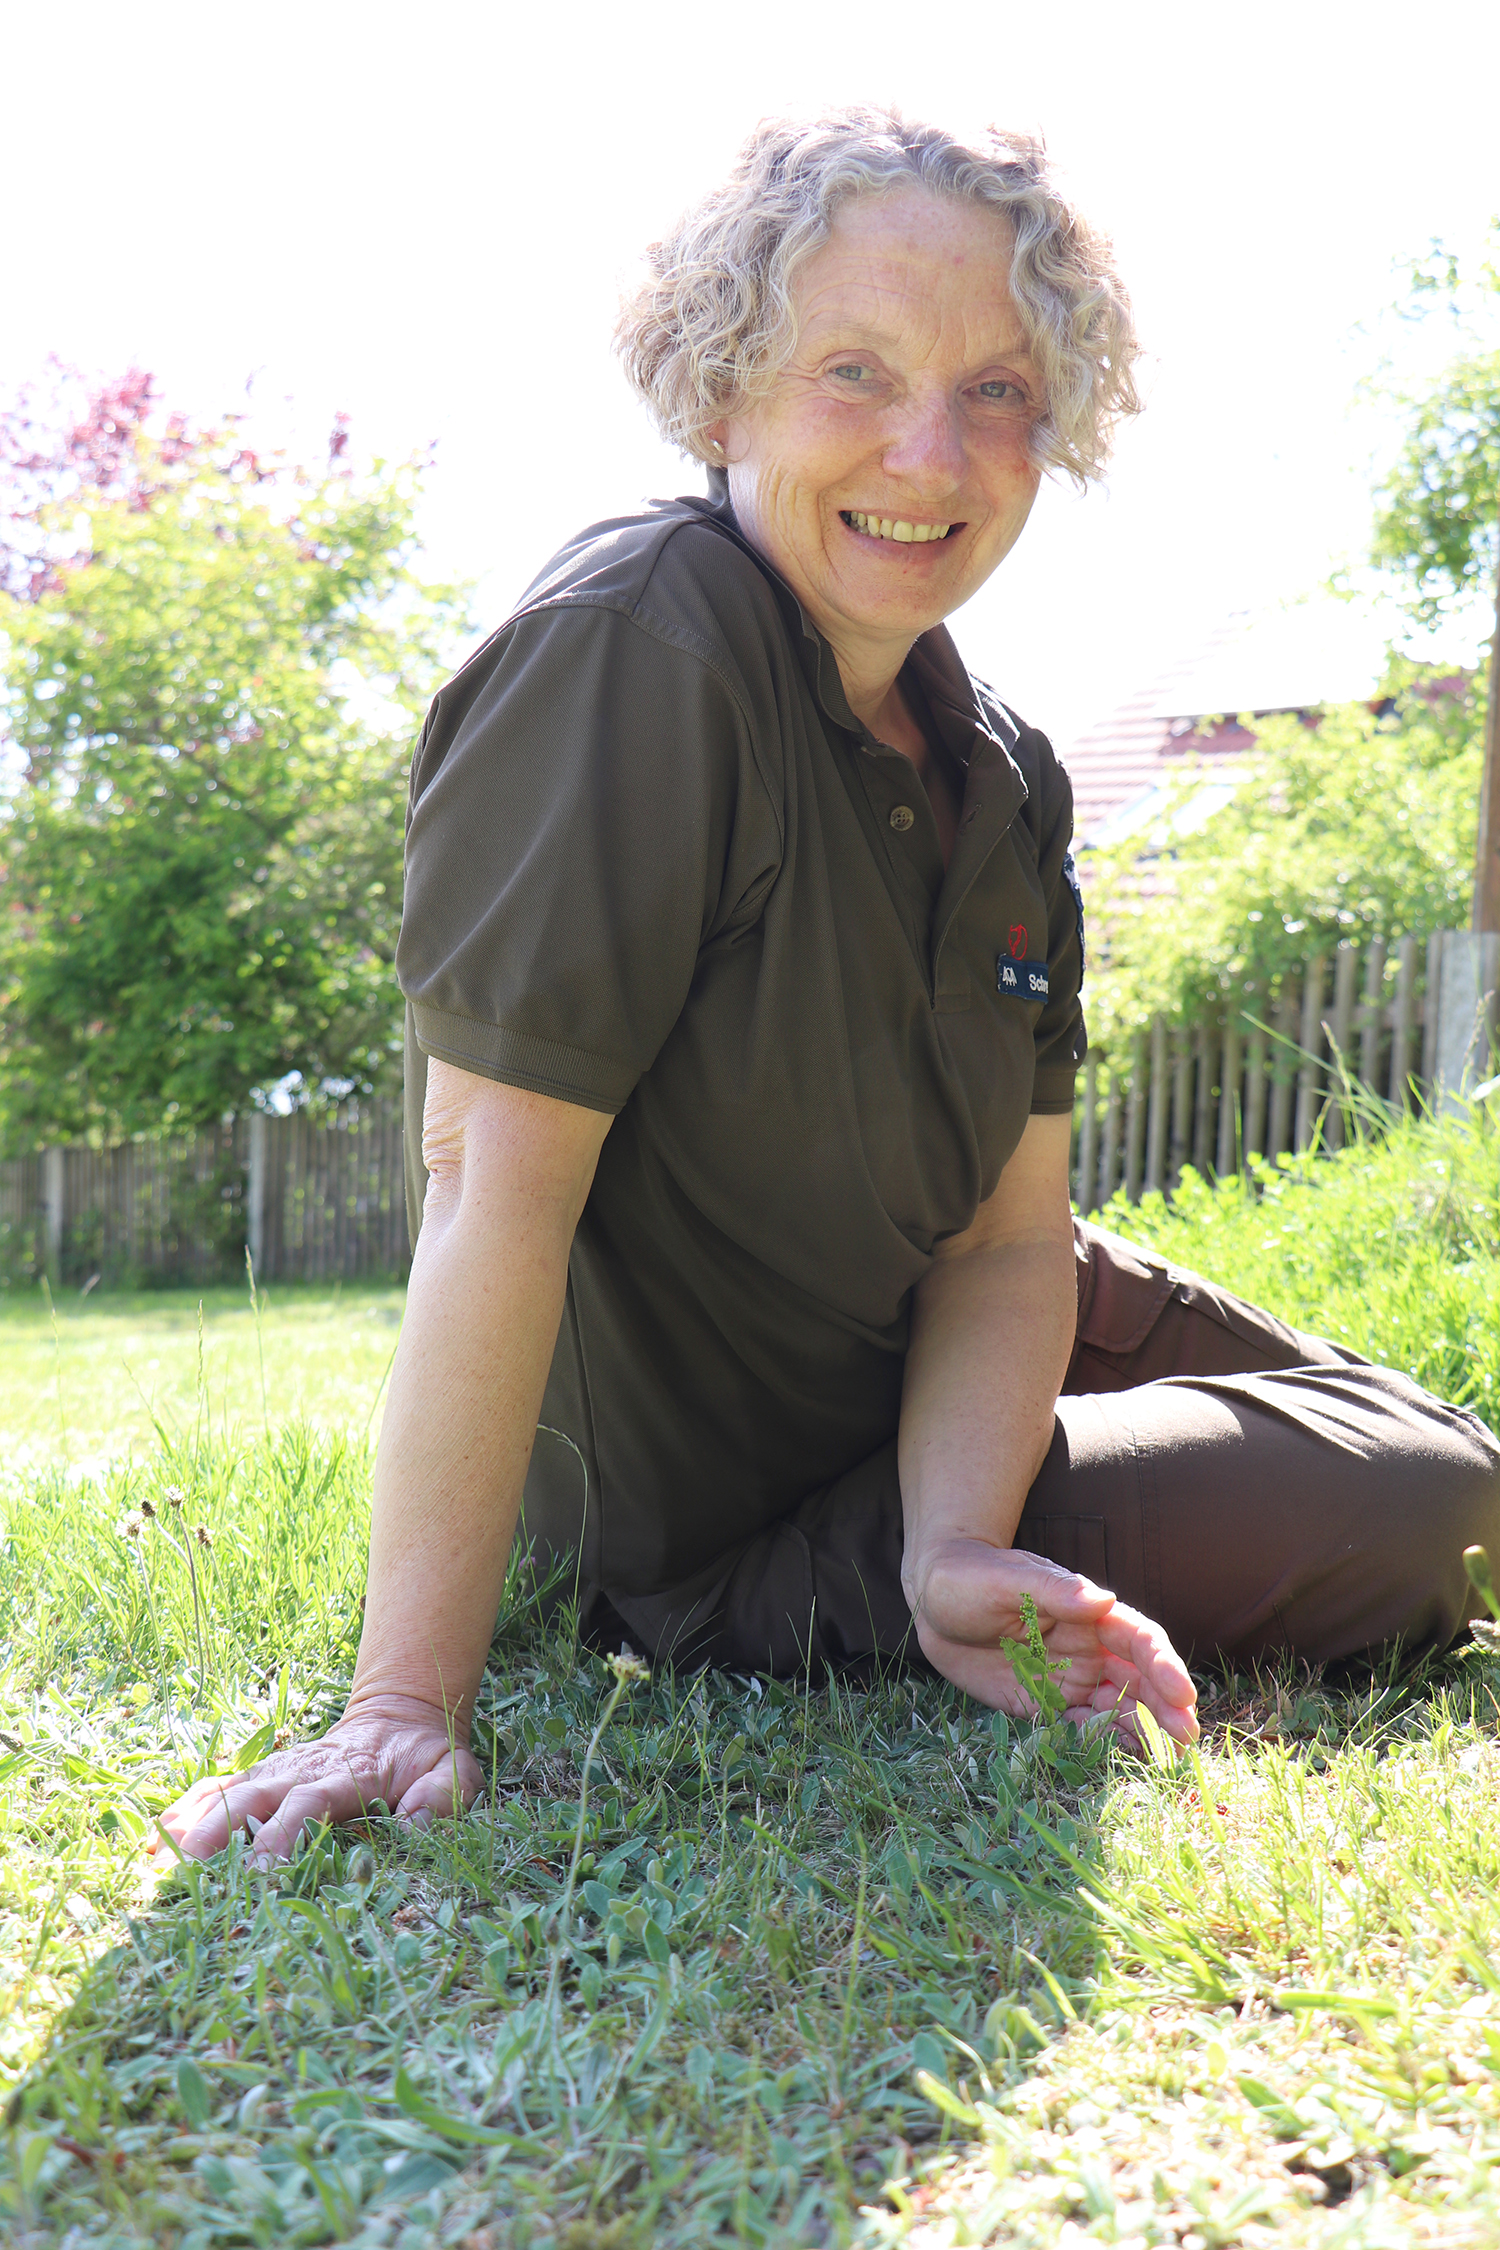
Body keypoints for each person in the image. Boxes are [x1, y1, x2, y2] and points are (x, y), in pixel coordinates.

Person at [161, 109, 1500, 1865]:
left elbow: (1011, 1239)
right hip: (740, 1527)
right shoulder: (639, 649)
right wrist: (398, 1705)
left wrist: (962, 1534)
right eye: (853, 370)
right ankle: (931, 1556)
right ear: (721, 391)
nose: (929, 451)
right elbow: (489, 1174)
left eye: (999, 390)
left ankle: (980, 1526)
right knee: (1450, 1509)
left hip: (955, 1315)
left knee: (1433, 1439)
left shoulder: (1006, 771)